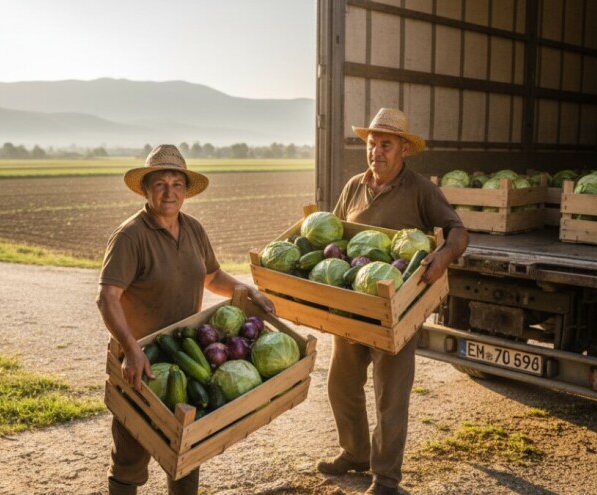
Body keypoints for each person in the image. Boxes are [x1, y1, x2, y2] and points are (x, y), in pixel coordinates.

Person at [96, 144, 275, 495]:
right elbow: (107, 297)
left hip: (187, 352)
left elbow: (213, 276)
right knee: (131, 454)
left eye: (177, 184)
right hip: (143, 359)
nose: (169, 192)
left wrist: (247, 291)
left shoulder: (193, 229)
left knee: (187, 447)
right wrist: (132, 350)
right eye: (160, 183)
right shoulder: (130, 236)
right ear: (146, 189)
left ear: (185, 191)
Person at [316, 108, 469, 495]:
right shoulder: (354, 186)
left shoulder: (422, 190)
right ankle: (354, 453)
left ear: (404, 149)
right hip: (354, 304)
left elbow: (458, 230)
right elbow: (333, 236)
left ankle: (385, 479)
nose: (376, 151)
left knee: (391, 395)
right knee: (342, 384)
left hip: (396, 310)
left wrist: (444, 256)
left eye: (386, 144)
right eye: (372, 143)